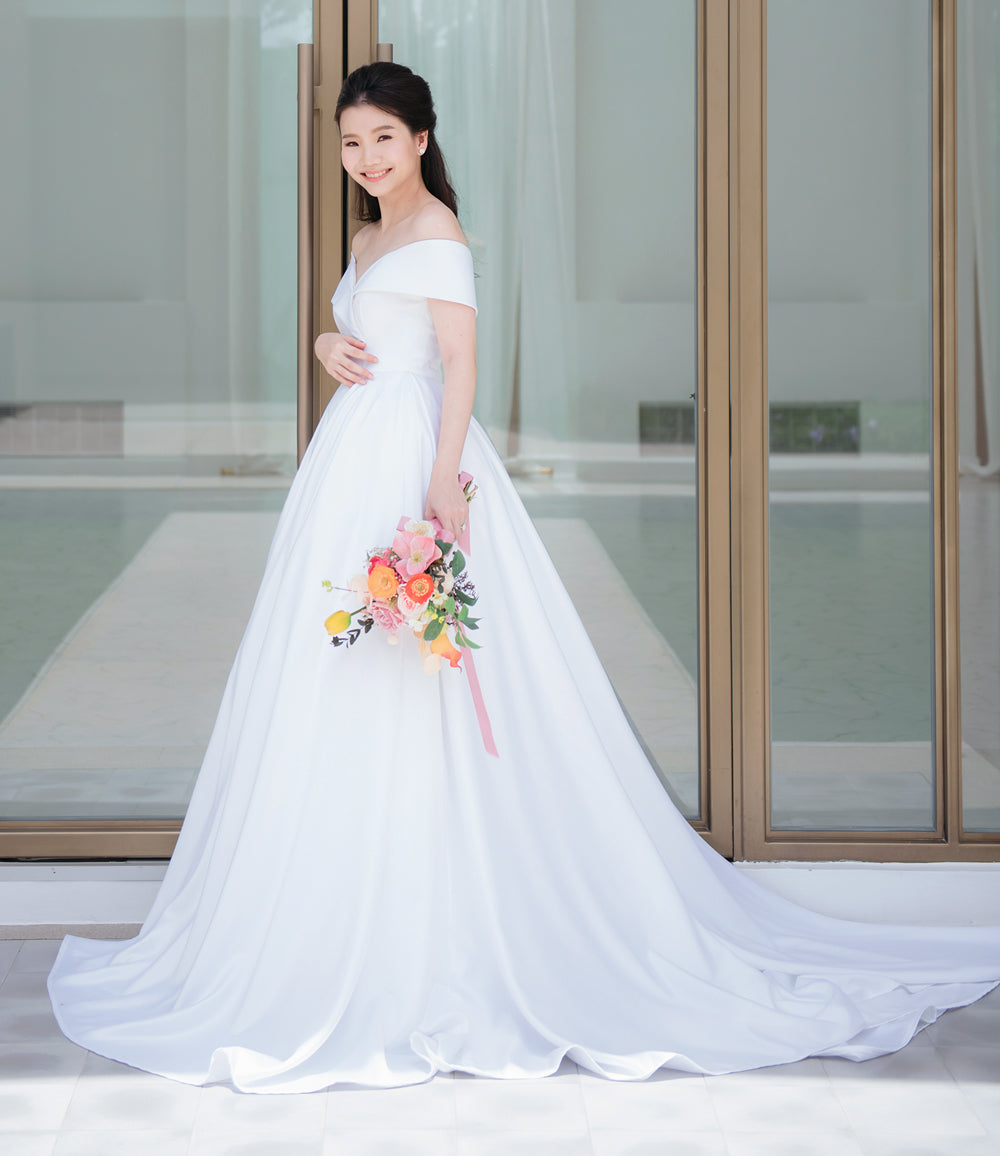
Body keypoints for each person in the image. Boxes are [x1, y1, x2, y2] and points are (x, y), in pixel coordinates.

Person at [47, 61, 1000, 1093]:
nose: (364, 159)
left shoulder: (439, 236)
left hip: (414, 457)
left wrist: (442, 488)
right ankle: (332, 905)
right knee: (343, 665)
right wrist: (330, 336)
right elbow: (367, 328)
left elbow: (457, 363)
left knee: (431, 667)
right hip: (350, 457)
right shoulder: (367, 238)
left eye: (381, 139)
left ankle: (443, 916)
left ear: (421, 139)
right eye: (349, 142)